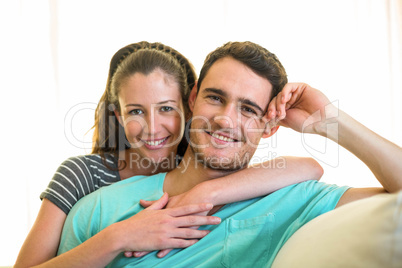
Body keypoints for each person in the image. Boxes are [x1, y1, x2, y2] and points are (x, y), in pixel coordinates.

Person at [57, 41, 402, 267]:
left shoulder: (297, 200)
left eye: (249, 109)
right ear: (192, 100)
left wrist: (331, 122)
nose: (225, 119)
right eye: (215, 98)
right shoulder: (100, 209)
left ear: (270, 126)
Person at [14, 42, 323, 268]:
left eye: (166, 109)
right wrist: (119, 237)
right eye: (135, 111)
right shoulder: (87, 178)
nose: (153, 128)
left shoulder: (201, 160)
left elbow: (306, 167)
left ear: (189, 106)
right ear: (118, 116)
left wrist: (205, 191)